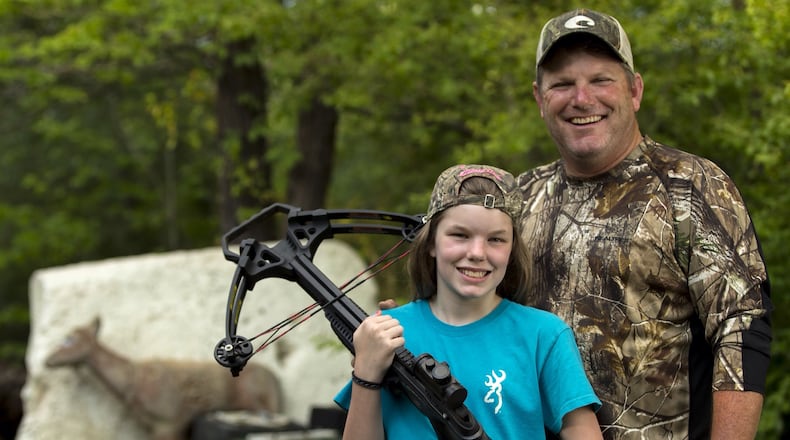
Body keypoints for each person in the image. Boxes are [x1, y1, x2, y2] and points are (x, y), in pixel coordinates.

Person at [519, 8, 773, 439]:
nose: (582, 99)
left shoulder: (690, 186)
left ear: (634, 90)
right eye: (562, 84)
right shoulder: (520, 197)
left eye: (601, 80)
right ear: (540, 99)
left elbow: (741, 331)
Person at [335, 164, 603, 439]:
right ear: (431, 244)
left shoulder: (543, 335)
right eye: (460, 235)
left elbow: (580, 430)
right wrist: (366, 370)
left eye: (496, 239)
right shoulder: (389, 333)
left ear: (512, 250)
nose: (477, 253)